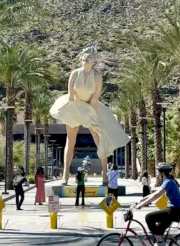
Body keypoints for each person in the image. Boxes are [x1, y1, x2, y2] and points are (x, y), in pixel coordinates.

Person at [50, 46, 130, 185]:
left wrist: (90, 119)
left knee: (100, 139)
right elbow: (71, 97)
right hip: (75, 106)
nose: (86, 57)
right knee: (71, 140)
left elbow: (94, 99)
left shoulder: (97, 76)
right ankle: (65, 175)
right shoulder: (75, 74)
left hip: (91, 108)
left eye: (90, 56)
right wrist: (75, 113)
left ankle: (105, 175)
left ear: (94, 61)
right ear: (81, 59)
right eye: (85, 55)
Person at [136, 163, 180, 246]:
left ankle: (160, 242)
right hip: (174, 210)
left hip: (174, 211)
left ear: (162, 173)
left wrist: (141, 205)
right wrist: (142, 200)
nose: (157, 174)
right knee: (157, 232)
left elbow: (157, 195)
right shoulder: (169, 180)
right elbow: (154, 193)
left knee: (149, 217)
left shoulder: (168, 182)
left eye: (158, 172)